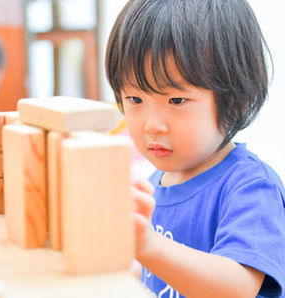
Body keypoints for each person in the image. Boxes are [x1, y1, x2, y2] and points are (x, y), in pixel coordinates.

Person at [105, 0, 285, 297]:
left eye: (176, 101)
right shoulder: (153, 187)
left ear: (237, 100)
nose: (152, 125)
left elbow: (237, 287)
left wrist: (147, 245)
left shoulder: (250, 186)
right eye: (135, 99)